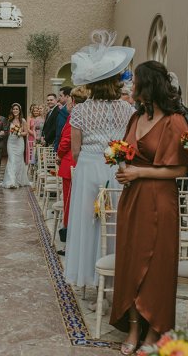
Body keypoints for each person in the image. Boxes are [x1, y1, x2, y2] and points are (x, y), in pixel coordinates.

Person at [110, 60, 188, 354]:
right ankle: (133, 326)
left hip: (160, 199)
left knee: (156, 265)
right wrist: (123, 169)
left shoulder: (175, 121)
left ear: (149, 84)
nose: (132, 88)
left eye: (136, 82)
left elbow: (180, 170)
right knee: (130, 262)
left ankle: (155, 330)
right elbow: (128, 154)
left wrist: (139, 172)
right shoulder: (134, 118)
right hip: (132, 199)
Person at [64, 31, 134, 296]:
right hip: (116, 166)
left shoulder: (81, 110)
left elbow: (76, 149)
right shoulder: (128, 110)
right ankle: (113, 277)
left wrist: (85, 166)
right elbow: (129, 142)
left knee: (88, 220)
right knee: (115, 220)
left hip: (89, 165)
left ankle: (87, 277)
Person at [55, 86, 88, 254]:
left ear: (73, 100)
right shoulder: (89, 114)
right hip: (82, 163)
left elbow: (66, 140)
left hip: (70, 164)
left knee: (70, 204)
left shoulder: (75, 116)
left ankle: (70, 242)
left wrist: (59, 155)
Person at [0, 103, 30, 188]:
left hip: (19, 143)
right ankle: (11, 181)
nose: (15, 110)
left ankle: (18, 180)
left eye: (17, 109)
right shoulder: (9, 120)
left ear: (19, 110)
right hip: (11, 142)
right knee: (12, 160)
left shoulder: (23, 120)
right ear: (12, 110)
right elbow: (6, 131)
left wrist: (19, 133)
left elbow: (26, 132)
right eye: (14, 109)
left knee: (18, 161)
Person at [54, 86, 72, 151]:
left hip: (63, 144)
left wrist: (57, 146)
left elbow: (61, 128)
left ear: (67, 96)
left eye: (61, 96)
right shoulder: (62, 109)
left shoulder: (65, 110)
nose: (59, 98)